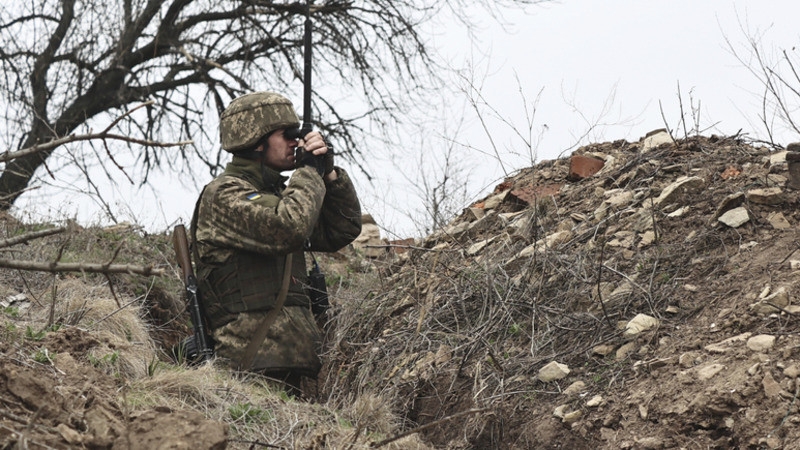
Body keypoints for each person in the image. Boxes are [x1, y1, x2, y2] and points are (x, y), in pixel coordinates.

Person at [190, 91, 362, 393]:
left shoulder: (281, 197)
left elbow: (342, 229)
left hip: (293, 362)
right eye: (287, 135)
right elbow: (289, 226)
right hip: (247, 368)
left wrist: (329, 174)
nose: (296, 142)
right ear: (256, 140)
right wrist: (309, 172)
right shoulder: (224, 195)